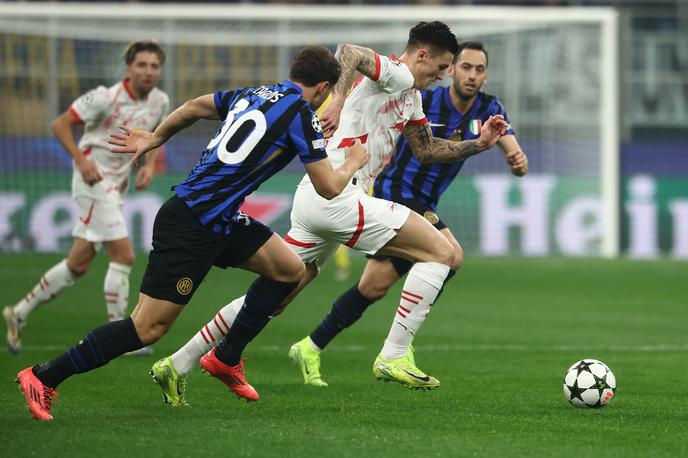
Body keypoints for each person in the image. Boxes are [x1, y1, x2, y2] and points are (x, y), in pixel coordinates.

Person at [150, 22, 511, 407]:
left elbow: (425, 149)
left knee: (277, 294)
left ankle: (177, 362)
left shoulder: (411, 96)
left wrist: (479, 143)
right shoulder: (397, 71)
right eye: (440, 68)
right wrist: (336, 99)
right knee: (441, 253)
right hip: (337, 195)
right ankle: (393, 355)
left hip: (321, 197)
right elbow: (348, 51)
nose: (442, 77)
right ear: (421, 55)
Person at [15, 45, 368, 421]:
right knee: (147, 328)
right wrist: (353, 162)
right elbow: (329, 187)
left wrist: (155, 136)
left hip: (219, 218)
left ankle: (225, 357)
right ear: (325, 87)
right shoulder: (301, 113)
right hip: (193, 222)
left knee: (289, 269)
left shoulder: (253, 93)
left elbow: (195, 106)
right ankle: (43, 376)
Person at [291, 40, 529, 386]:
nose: (471, 75)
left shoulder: (489, 108)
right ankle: (398, 349)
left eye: (479, 69)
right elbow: (420, 145)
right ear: (450, 71)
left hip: (426, 202)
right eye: (464, 67)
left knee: (372, 287)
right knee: (451, 255)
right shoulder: (425, 96)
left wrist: (516, 159)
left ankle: (310, 346)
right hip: (397, 192)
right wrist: (342, 100)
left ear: (486, 75)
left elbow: (511, 149)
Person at [3, 40, 169, 357]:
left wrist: (148, 165)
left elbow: (156, 134)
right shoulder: (105, 98)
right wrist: (82, 159)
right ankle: (121, 338)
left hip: (116, 187)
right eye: (142, 65)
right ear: (128, 69)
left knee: (78, 264)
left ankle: (19, 312)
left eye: (154, 66)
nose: (149, 71)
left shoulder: (160, 100)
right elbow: (60, 123)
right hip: (91, 182)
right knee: (124, 255)